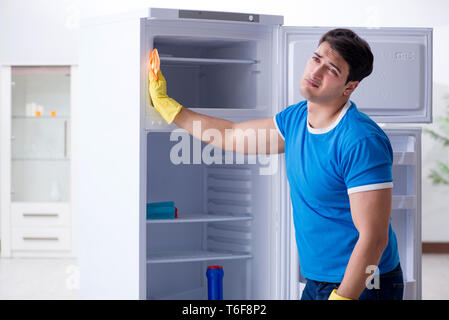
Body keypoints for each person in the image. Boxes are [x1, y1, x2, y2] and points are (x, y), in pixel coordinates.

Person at [149, 28, 403, 300]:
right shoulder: (295, 119)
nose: (316, 72)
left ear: (349, 87)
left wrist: (344, 297)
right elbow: (231, 134)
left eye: (331, 69)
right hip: (319, 281)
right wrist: (171, 109)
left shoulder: (360, 140)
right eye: (316, 59)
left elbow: (374, 238)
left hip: (365, 285)